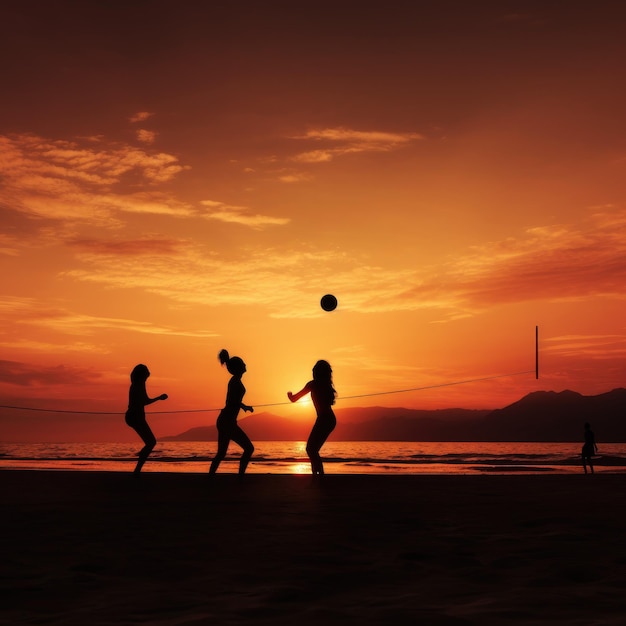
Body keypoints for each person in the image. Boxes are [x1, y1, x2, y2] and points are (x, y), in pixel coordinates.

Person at [287, 360, 337, 477]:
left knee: (311, 449)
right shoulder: (327, 386)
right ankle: (317, 474)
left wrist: (289, 394)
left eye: (314, 370)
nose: (312, 372)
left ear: (317, 372)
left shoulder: (313, 384)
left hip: (324, 419)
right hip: (329, 419)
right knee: (312, 449)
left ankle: (318, 475)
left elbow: (294, 399)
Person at [209, 349, 255, 475]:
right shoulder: (235, 381)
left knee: (221, 453)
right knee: (249, 448)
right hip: (227, 421)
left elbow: (233, 401)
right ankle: (240, 477)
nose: (245, 364)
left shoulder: (235, 381)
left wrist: (244, 406)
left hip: (226, 420)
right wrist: (242, 406)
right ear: (239, 368)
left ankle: (210, 478)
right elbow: (231, 401)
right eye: (243, 363)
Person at [125, 364, 168, 473]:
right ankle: (137, 469)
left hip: (134, 416)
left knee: (150, 442)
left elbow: (144, 401)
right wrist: (159, 398)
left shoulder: (137, 384)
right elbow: (144, 402)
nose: (147, 377)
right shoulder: (138, 385)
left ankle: (138, 467)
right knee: (151, 442)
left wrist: (158, 398)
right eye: (146, 375)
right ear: (142, 375)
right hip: (135, 417)